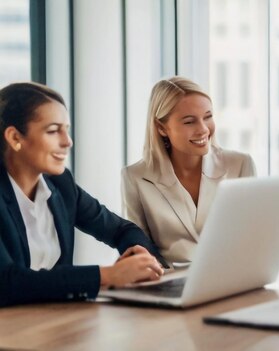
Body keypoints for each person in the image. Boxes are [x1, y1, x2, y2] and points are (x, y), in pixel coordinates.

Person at [0, 82, 164, 307]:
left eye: (66, 129)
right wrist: (107, 276)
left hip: (50, 321)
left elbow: (120, 229)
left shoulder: (60, 184)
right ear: (15, 137)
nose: (67, 142)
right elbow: (7, 282)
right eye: (53, 130)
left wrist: (138, 256)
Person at [122, 77, 256, 263]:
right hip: (167, 283)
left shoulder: (240, 165)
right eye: (189, 122)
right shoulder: (135, 177)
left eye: (208, 117)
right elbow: (140, 248)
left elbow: (253, 235)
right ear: (161, 128)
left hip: (232, 277)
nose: (203, 130)